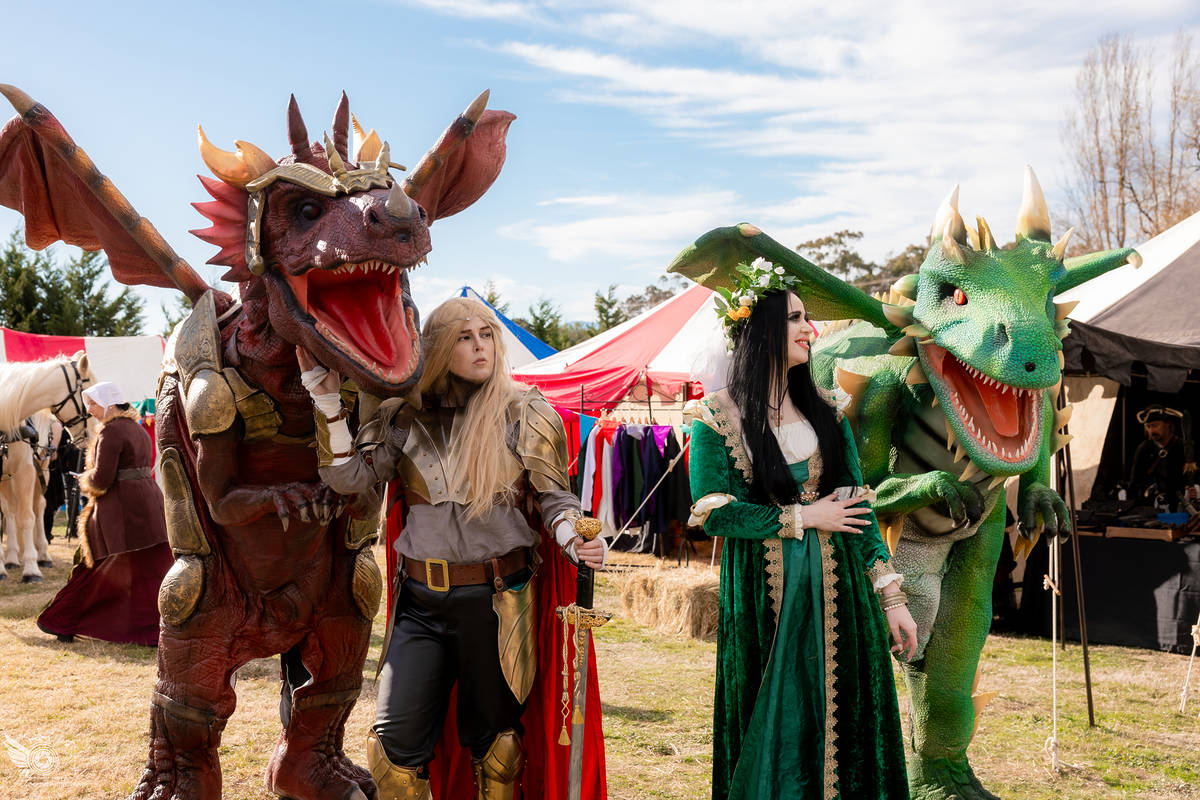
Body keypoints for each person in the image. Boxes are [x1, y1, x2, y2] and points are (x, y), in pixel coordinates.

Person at [298, 296, 607, 799]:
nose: (480, 346)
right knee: (392, 753)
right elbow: (349, 477)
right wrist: (328, 402)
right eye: (465, 337)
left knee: (498, 751)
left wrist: (574, 537)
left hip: (500, 602)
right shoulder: (402, 415)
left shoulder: (525, 411)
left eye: (486, 335)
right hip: (419, 603)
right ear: (439, 347)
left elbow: (555, 498)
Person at [687, 270, 917, 799]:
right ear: (759, 328)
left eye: (806, 318)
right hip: (765, 603)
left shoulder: (827, 407)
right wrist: (804, 517)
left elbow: (857, 510)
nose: (810, 329)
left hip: (841, 600)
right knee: (779, 719)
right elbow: (714, 513)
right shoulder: (717, 417)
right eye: (795, 318)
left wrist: (892, 597)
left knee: (843, 724)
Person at [37, 382, 173, 646]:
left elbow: (101, 479)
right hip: (148, 505)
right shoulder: (136, 428)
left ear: (109, 403)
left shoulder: (110, 432)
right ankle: (156, 630)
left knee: (100, 569)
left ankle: (61, 620)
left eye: (93, 404)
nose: (89, 410)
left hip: (121, 510)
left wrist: (84, 478)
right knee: (153, 571)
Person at [1128, 404, 1194, 509]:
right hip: (1150, 506)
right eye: (1148, 426)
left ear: (1168, 424)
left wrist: (1194, 490)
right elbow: (1135, 482)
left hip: (1181, 505)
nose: (1151, 431)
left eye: (1155, 425)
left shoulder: (1184, 447)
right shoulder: (1144, 448)